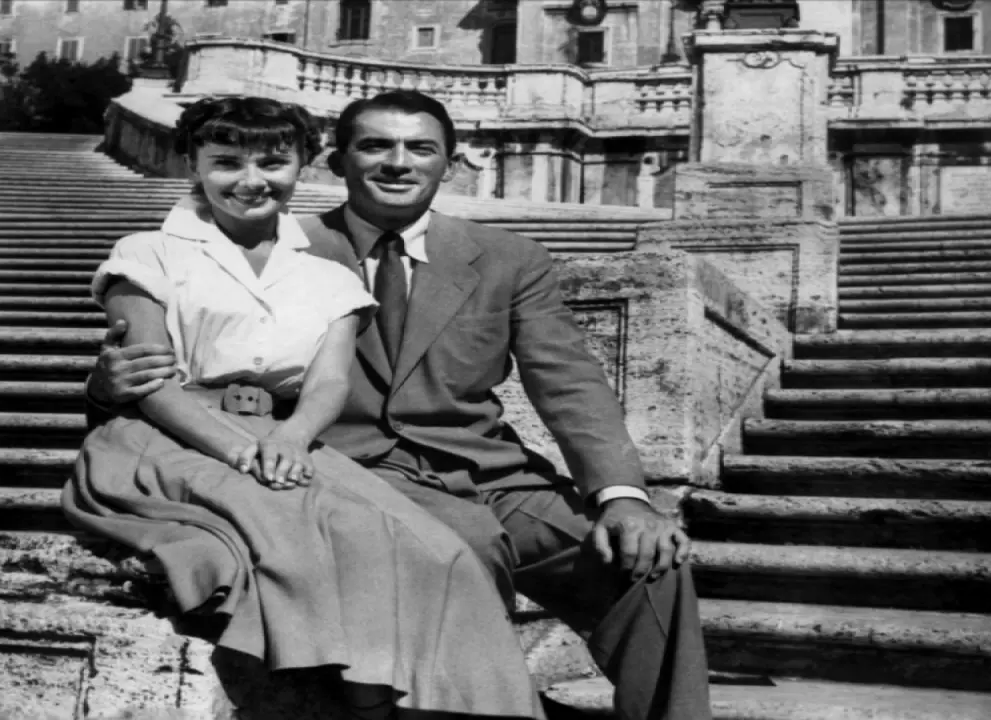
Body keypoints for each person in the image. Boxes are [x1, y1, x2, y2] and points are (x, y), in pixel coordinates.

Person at [90, 90, 712, 720]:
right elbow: (207, 362)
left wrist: (623, 497)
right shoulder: (281, 249)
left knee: (650, 563)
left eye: (420, 148)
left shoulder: (510, 257)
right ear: (338, 161)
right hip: (357, 469)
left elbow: (570, 381)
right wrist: (108, 384)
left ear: (450, 163)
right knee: (465, 549)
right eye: (375, 146)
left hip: (493, 473)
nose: (397, 162)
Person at [63, 95, 546, 720]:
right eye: (226, 162)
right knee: (333, 538)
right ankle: (375, 705)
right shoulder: (147, 252)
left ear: (302, 166)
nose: (251, 180)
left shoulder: (327, 276)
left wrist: (291, 438)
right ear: (192, 165)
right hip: (168, 437)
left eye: (272, 162)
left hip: (281, 439)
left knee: (440, 549)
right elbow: (151, 383)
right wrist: (239, 450)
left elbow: (327, 384)